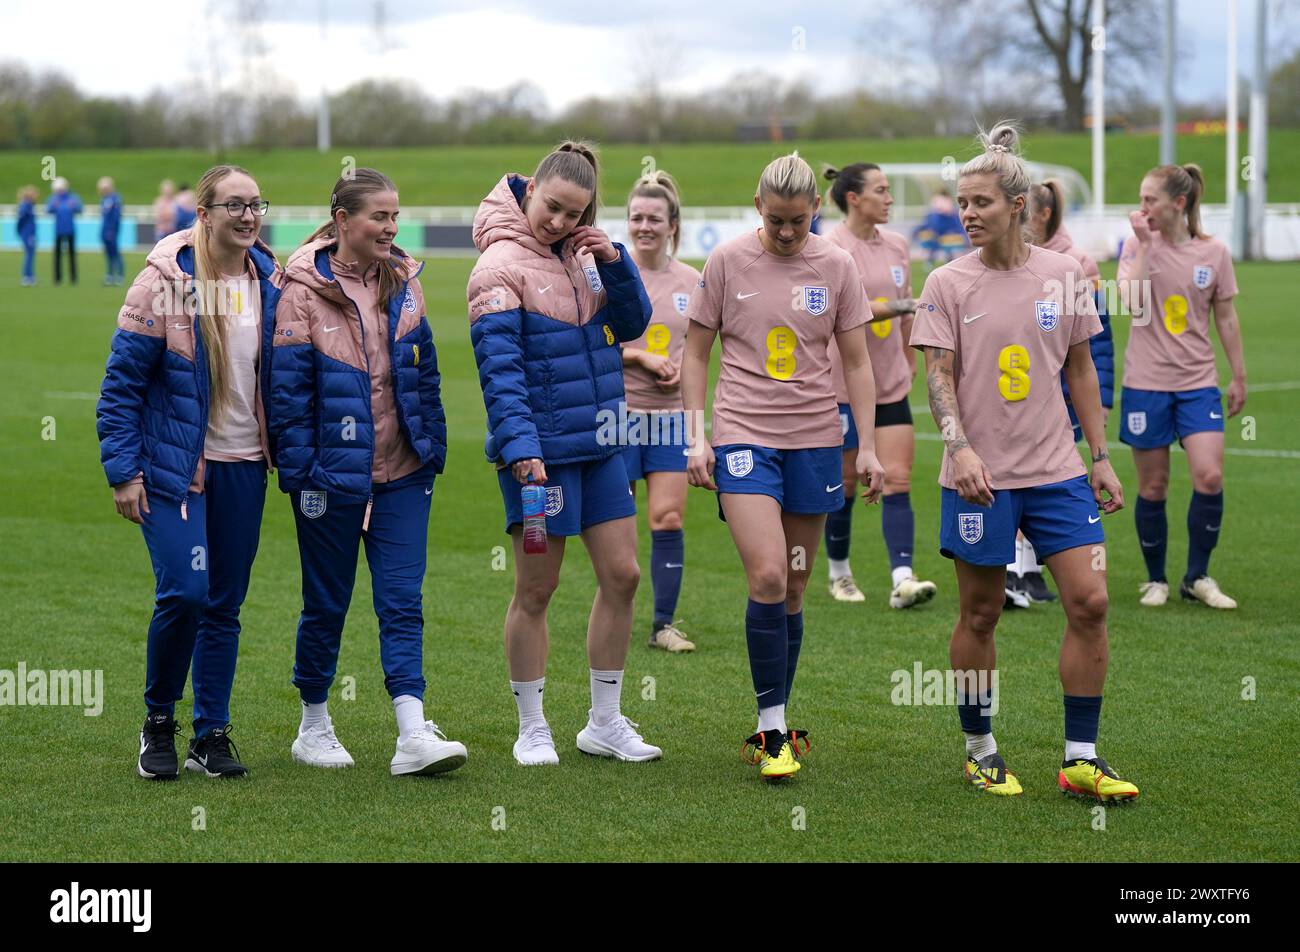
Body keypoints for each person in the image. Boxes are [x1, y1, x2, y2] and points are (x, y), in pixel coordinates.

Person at [910, 122, 1138, 802]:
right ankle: (981, 749)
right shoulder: (946, 283)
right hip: (978, 478)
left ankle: (1081, 759)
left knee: (1091, 602)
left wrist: (1099, 456)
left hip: (1059, 471)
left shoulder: (1066, 275)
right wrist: (960, 448)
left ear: (1019, 205)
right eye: (962, 202)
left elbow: (1081, 371)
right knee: (981, 615)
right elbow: (938, 378)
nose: (967, 213)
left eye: (980, 202)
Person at [681, 152, 886, 782]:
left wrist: (868, 446)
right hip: (744, 436)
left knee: (795, 586)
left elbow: (856, 362)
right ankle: (771, 732)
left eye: (798, 221)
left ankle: (778, 719)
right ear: (756, 206)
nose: (788, 232)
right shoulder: (726, 262)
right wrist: (697, 437)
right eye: (776, 221)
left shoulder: (838, 265)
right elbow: (695, 353)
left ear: (817, 210)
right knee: (768, 574)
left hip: (816, 442)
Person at [467, 141, 660, 766]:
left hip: (603, 442)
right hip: (541, 456)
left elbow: (631, 325)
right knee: (537, 588)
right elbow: (501, 373)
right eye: (551, 208)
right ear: (529, 191)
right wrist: (522, 449)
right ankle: (532, 726)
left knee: (625, 576)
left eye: (574, 215)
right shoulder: (497, 268)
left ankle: (604, 722)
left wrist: (615, 259)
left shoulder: (585, 256)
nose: (559, 222)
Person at [270, 168, 464, 777]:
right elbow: (287, 398)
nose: (391, 227)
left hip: (404, 473)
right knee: (326, 604)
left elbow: (424, 371)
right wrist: (305, 475)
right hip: (330, 481)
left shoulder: (406, 281)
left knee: (402, 601)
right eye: (379, 216)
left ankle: (412, 732)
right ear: (342, 220)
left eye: (395, 216)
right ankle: (314, 724)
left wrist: (429, 444)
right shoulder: (300, 290)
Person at [96, 164, 281, 781]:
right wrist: (124, 471)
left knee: (224, 603)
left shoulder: (270, 281)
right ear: (203, 214)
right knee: (186, 590)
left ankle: (212, 732)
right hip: (174, 469)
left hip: (244, 465)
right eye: (234, 205)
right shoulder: (170, 284)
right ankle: (157, 722)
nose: (248, 215)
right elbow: (121, 386)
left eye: (255, 204)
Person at [1118, 164, 1244, 610]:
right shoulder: (1135, 244)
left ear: (1179, 203)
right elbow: (1129, 302)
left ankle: (1197, 576)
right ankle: (1156, 579)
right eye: (1140, 199)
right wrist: (1148, 247)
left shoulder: (1214, 253)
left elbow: (1225, 317)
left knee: (1209, 477)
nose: (1142, 208)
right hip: (1146, 384)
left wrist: (1239, 375)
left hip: (1198, 384)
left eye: (1150, 200)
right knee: (1153, 487)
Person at [821, 162, 937, 609]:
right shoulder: (831, 247)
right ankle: (839, 574)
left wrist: (909, 356)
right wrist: (904, 305)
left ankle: (902, 579)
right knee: (847, 483)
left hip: (889, 383)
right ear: (854, 197)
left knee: (899, 478)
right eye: (882, 191)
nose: (890, 198)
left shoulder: (898, 245)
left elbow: (907, 312)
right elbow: (843, 311)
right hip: (840, 385)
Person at [1005, 179, 1116, 606]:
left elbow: (1096, 341)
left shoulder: (1076, 264)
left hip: (1061, 393)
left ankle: (1029, 570)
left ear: (1040, 214)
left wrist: (1102, 397)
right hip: (1015, 392)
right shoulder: (999, 261)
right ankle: (1020, 570)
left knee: (1047, 475)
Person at [618, 170, 701, 652]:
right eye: (636, 217)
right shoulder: (610, 275)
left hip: (671, 418)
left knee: (667, 518)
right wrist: (639, 356)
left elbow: (702, 349)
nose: (644, 225)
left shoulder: (693, 281)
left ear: (673, 225)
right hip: (619, 417)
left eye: (654, 218)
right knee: (618, 524)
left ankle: (663, 625)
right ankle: (618, 612)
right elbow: (591, 346)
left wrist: (681, 368)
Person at [46, 177, 82, 284]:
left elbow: (80, 209)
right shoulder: (54, 198)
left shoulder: (72, 198)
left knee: (71, 255)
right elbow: (48, 209)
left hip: (70, 230)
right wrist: (53, 207)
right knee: (57, 256)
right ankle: (57, 278)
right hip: (58, 230)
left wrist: (74, 207)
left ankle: (73, 278)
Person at [99, 176, 124, 286]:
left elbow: (116, 217)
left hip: (112, 231)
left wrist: (112, 230)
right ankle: (109, 275)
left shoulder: (116, 199)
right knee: (108, 254)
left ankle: (120, 276)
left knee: (116, 253)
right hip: (105, 231)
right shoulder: (104, 200)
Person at [17, 186, 37, 286]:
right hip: (28, 234)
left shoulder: (29, 205)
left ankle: (30, 275)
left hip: (29, 233)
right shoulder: (26, 206)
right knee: (29, 255)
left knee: (30, 255)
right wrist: (22, 233)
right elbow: (21, 221)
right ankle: (27, 276)